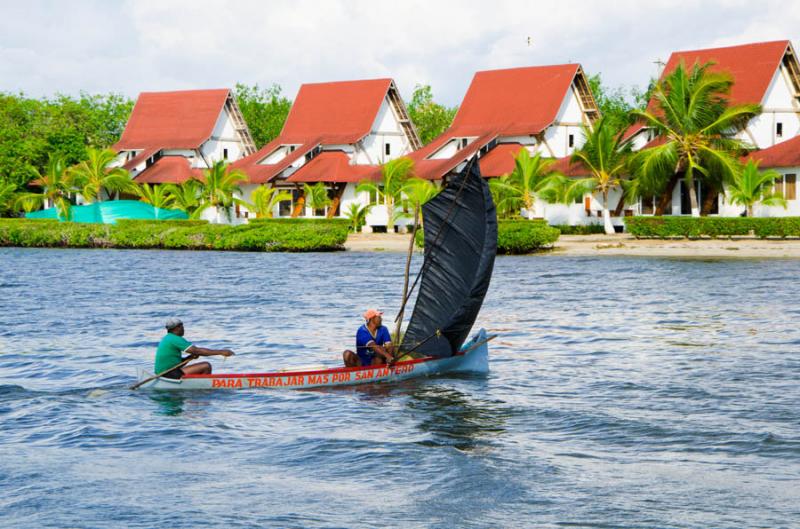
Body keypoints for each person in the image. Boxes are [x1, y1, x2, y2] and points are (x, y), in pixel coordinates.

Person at [155, 318, 235, 379]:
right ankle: (203, 389)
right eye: (182, 326)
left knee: (203, 366)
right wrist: (221, 352)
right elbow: (197, 350)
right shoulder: (175, 339)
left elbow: (176, 364)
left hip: (164, 372)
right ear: (178, 327)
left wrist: (189, 357)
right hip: (169, 373)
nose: (184, 329)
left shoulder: (167, 338)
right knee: (206, 366)